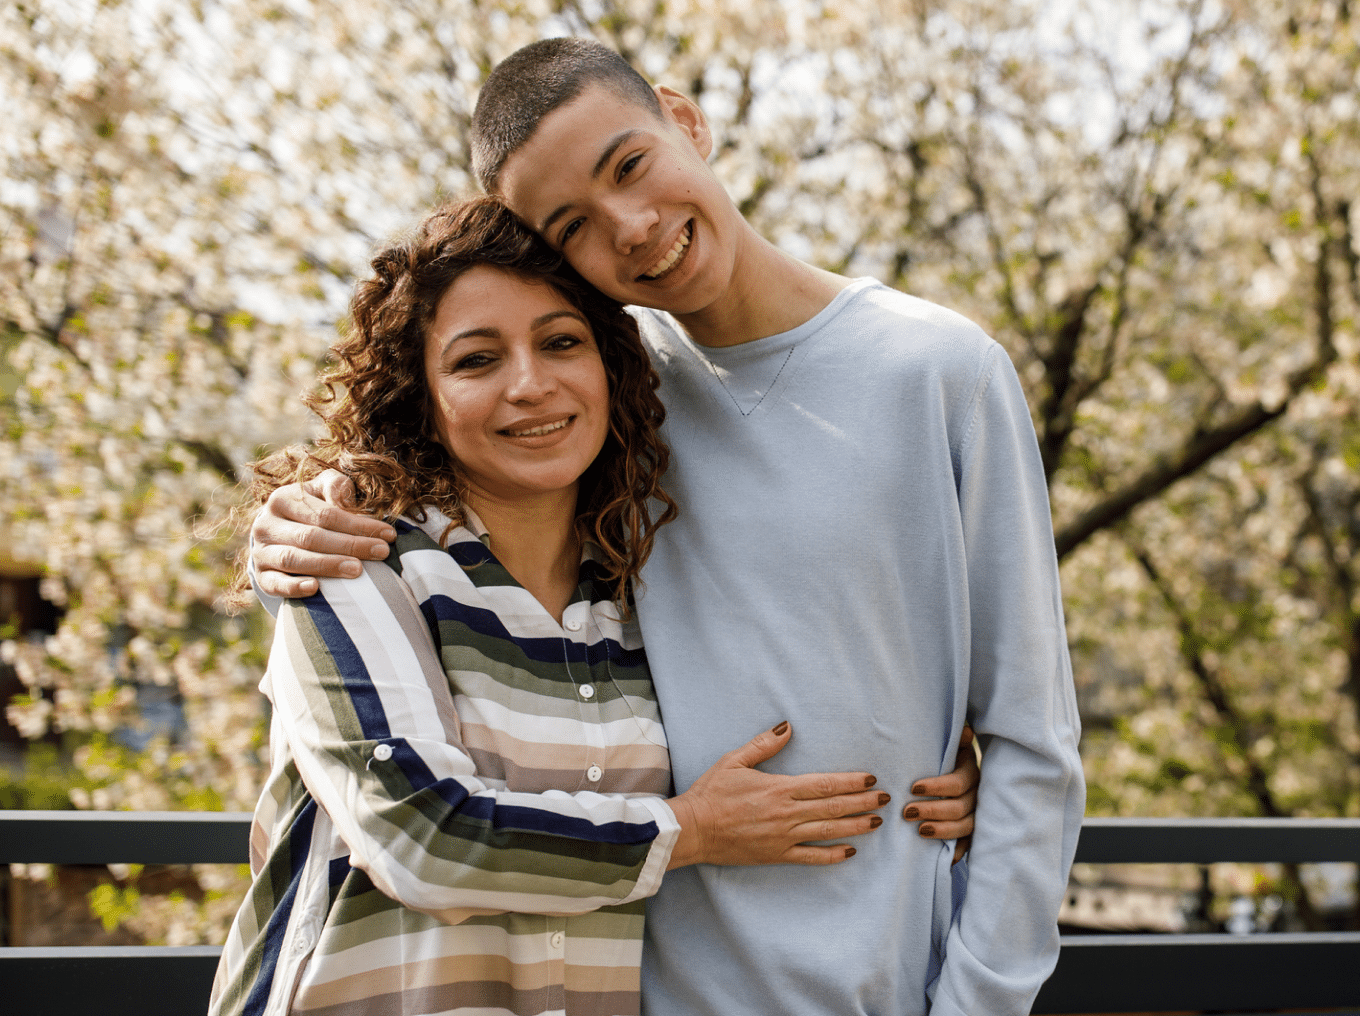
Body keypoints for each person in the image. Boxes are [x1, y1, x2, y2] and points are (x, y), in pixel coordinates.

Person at [250, 37, 1082, 1016]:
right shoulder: (597, 390)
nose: (633, 228)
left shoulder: (937, 371)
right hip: (630, 982)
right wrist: (300, 513)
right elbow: (437, 443)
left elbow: (1031, 735)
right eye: (575, 226)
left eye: (631, 165)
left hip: (887, 983)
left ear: (683, 119)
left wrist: (979, 998)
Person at [211, 197, 898, 1016]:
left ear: (612, 368)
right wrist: (688, 831)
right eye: (475, 361)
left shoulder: (647, 593)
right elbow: (420, 837)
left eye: (561, 343)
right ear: (420, 396)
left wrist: (941, 768)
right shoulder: (355, 558)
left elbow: (796, 714)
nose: (530, 386)